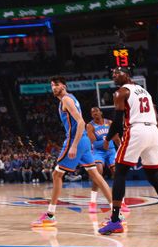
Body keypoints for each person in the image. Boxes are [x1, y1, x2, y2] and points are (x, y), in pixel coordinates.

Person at [98, 67, 158, 235]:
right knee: (154, 176)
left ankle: (115, 221)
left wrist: (107, 139)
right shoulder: (145, 92)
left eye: (117, 73)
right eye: (113, 74)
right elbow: (157, 119)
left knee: (120, 171)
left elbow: (116, 122)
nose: (114, 76)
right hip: (152, 133)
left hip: (136, 131)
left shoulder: (120, 93)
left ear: (127, 74)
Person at [32, 77, 115, 229]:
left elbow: (81, 122)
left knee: (57, 175)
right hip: (83, 141)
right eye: (51, 86)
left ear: (63, 85)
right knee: (96, 175)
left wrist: (74, 145)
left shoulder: (66, 100)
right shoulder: (72, 98)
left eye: (56, 85)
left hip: (75, 140)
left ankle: (50, 215)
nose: (53, 88)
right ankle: (116, 213)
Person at [86, 107, 124, 214]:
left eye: (96, 111)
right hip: (98, 152)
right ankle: (93, 202)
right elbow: (94, 143)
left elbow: (116, 138)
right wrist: (107, 140)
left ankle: (122, 202)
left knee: (117, 173)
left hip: (111, 151)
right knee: (98, 172)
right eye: (92, 112)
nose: (94, 113)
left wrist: (121, 148)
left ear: (101, 112)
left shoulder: (109, 122)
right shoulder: (90, 126)